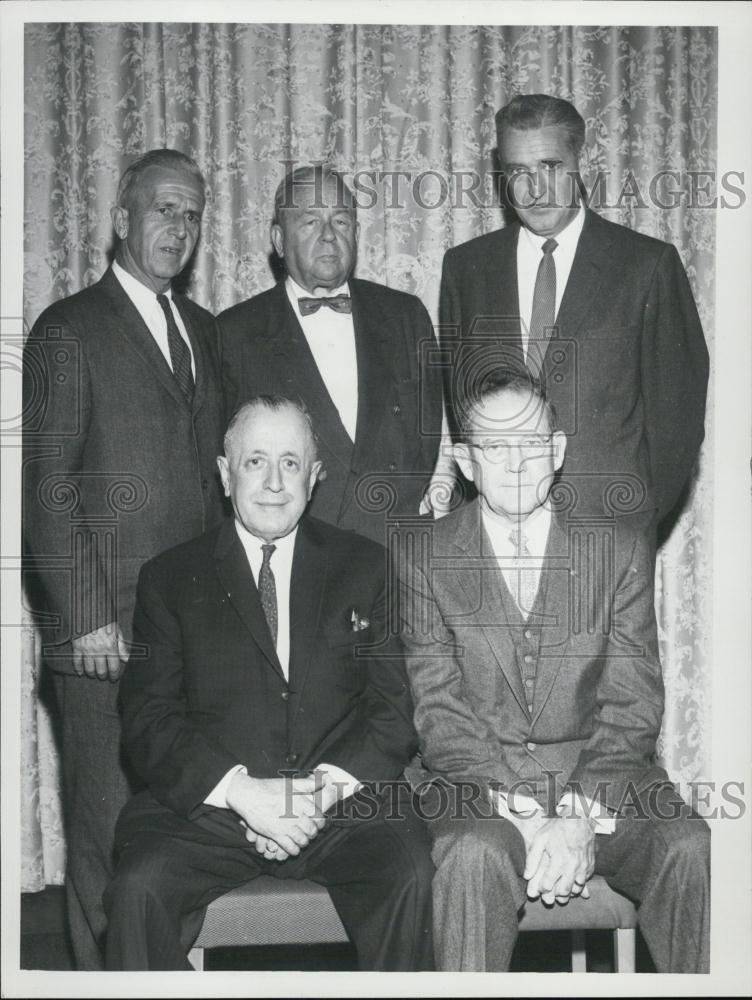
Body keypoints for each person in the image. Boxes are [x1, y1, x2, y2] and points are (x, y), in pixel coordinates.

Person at [104, 396, 435, 971]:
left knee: (408, 874)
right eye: (256, 461)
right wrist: (244, 793)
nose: (275, 482)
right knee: (139, 890)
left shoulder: (367, 567)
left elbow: (392, 708)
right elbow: (149, 719)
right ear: (225, 474)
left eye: (291, 462)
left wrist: (319, 791)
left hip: (339, 804)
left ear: (316, 475)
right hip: (214, 810)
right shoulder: (169, 577)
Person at [399, 369, 710, 972]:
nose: (516, 463)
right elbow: (439, 715)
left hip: (599, 779)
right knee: (472, 856)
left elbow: (633, 704)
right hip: (478, 786)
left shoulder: (616, 550)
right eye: (494, 446)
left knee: (690, 847)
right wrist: (530, 814)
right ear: (465, 461)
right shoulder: (423, 556)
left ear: (558, 451)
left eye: (531, 443)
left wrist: (576, 815)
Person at [22, 149, 226, 969]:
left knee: (170, 847)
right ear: (120, 221)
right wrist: (86, 618)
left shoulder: (204, 331)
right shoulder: (68, 328)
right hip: (103, 643)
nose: (177, 227)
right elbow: (45, 489)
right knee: (106, 842)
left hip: (190, 641)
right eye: (162, 209)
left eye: (191, 214)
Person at [439, 93, 709, 526]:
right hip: (497, 535)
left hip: (608, 535)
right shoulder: (466, 267)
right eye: (518, 171)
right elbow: (463, 404)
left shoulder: (646, 265)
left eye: (550, 167)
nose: (535, 189)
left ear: (583, 163)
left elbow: (677, 421)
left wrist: (633, 524)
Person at [218, 164, 443, 545]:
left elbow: (426, 438)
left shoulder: (405, 315)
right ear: (278, 239)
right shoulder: (235, 332)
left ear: (356, 233)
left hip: (396, 547)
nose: (328, 236)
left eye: (341, 221)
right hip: (299, 551)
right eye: (310, 222)